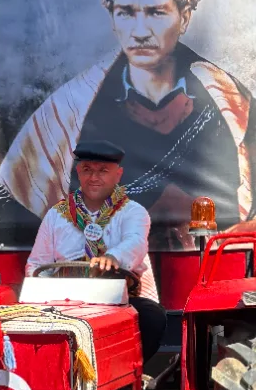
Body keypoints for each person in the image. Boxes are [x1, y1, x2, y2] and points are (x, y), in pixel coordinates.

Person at [0, 0, 256, 251]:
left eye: (156, 12)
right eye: (126, 12)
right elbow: (9, 206)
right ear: (112, 20)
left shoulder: (236, 110)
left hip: (217, 281)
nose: (140, 30)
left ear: (185, 18)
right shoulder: (70, 110)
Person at [26, 141, 167, 362]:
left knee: (152, 317)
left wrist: (112, 257)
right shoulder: (56, 215)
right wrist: (42, 293)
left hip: (117, 302)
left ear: (118, 174)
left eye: (103, 171)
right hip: (63, 303)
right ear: (78, 173)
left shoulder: (133, 212)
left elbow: (136, 242)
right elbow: (36, 264)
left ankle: (130, 379)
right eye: (87, 170)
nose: (94, 177)